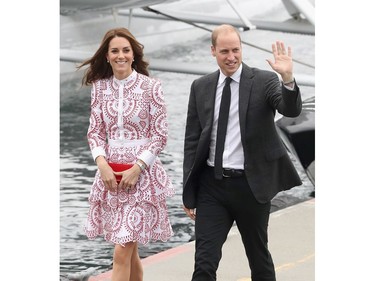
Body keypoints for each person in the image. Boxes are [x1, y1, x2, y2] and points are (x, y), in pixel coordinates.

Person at [182, 24, 302, 281]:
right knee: (204, 262)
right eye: (224, 51)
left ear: (241, 49)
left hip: (251, 186)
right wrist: (188, 191)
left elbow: (289, 110)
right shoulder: (200, 86)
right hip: (212, 187)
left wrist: (288, 79)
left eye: (236, 50)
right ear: (213, 51)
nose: (231, 57)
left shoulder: (264, 81)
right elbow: (192, 141)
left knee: (258, 259)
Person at [77, 27, 175, 281]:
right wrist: (102, 164)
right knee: (129, 252)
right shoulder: (99, 89)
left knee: (122, 250)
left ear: (133, 55)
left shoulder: (151, 87)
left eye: (125, 50)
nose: (120, 55)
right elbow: (95, 133)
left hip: (142, 178)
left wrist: (138, 167)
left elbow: (159, 135)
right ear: (107, 57)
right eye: (115, 51)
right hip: (111, 178)